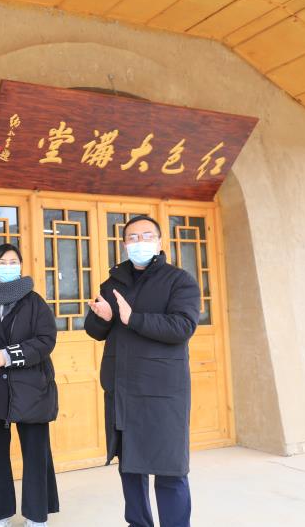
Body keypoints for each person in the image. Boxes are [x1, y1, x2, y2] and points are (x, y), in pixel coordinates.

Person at [85, 215, 201, 527]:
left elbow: (183, 326)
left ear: (159, 242)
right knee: (130, 468)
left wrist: (132, 318)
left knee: (170, 470)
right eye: (133, 238)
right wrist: (103, 317)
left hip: (163, 393)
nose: (139, 242)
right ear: (124, 244)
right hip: (123, 391)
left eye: (147, 236)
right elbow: (95, 331)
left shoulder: (179, 281)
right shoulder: (112, 283)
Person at [0, 243, 59, 527]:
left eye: (13, 261)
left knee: (36, 453)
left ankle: (36, 516)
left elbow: (46, 340)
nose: (8, 266)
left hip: (32, 390)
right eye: (2, 262)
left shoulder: (35, 302)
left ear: (20, 265)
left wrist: (10, 355)